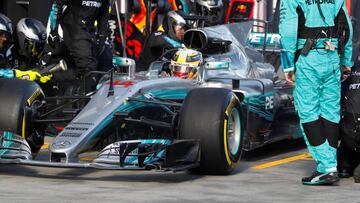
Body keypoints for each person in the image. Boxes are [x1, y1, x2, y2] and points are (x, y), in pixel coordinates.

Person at [279, 0, 353, 185]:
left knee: (308, 111)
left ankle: (327, 167)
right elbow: (346, 27)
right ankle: (327, 166)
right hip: (332, 55)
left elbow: (288, 31)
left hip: (308, 57)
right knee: (330, 112)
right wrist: (346, 60)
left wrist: (287, 65)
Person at [48, 0, 111, 79]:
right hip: (72, 26)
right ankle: (88, 86)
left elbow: (104, 14)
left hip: (90, 29)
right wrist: (53, 31)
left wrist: (102, 36)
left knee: (104, 61)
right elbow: (57, 6)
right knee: (88, 66)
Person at [0, 14, 51, 83]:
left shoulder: (33, 59)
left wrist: (41, 74)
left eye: (39, 47)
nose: (5, 39)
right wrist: (18, 74)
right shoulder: (6, 54)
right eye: (32, 46)